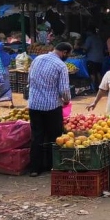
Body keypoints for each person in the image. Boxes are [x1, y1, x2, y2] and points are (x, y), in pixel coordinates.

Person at [27, 43, 72, 177]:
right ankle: (54, 165)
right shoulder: (60, 65)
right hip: (51, 106)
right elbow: (64, 90)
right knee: (55, 137)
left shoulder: (37, 59)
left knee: (37, 136)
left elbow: (29, 79)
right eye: (68, 55)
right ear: (64, 52)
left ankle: (35, 169)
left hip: (34, 104)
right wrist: (67, 100)